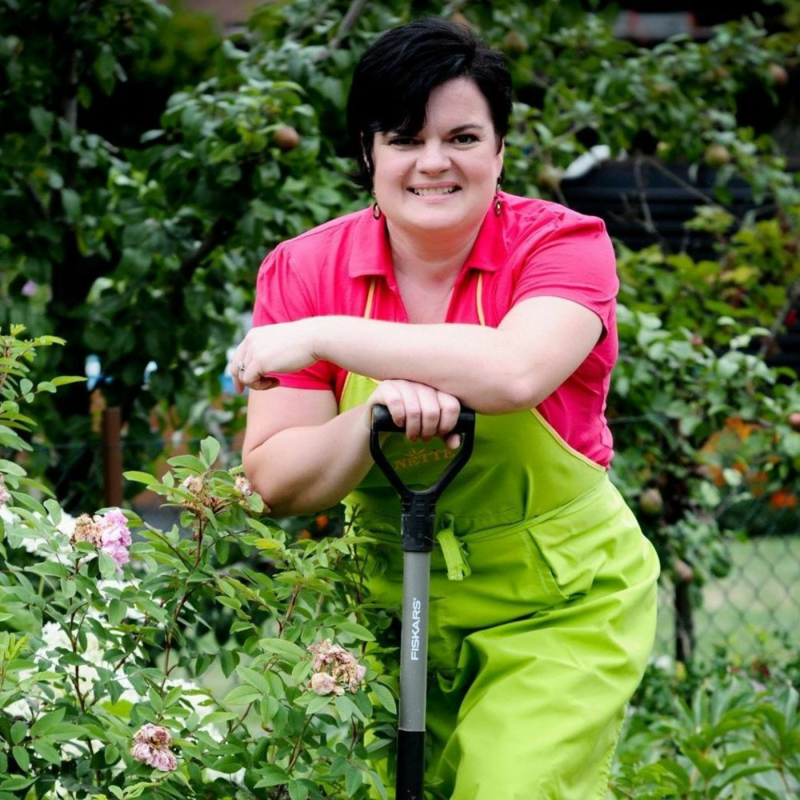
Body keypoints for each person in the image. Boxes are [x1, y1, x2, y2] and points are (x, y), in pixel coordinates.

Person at [229, 16, 660, 800]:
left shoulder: (564, 245)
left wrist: (323, 335)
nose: (433, 163)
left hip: (556, 607)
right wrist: (369, 421)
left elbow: (515, 372)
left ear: (500, 150)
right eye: (403, 138)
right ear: (369, 152)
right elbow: (278, 481)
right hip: (386, 614)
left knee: (509, 785)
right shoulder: (305, 267)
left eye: (462, 137)